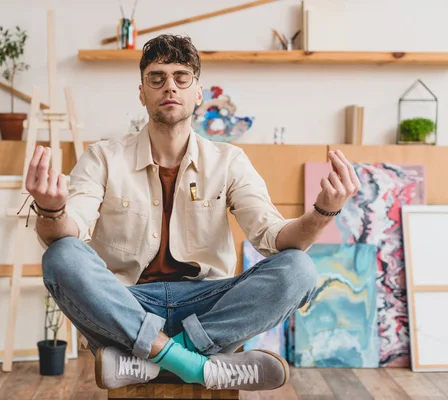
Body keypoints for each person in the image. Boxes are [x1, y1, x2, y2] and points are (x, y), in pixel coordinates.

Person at [25, 34, 361, 392]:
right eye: (157, 78)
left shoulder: (230, 161)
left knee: (300, 269)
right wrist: (51, 208)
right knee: (62, 255)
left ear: (197, 92)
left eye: (181, 77)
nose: (169, 86)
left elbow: (275, 239)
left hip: (209, 306)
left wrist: (325, 211)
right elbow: (66, 230)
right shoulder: (103, 158)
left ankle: (153, 360)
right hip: (127, 304)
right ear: (142, 93)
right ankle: (197, 365)